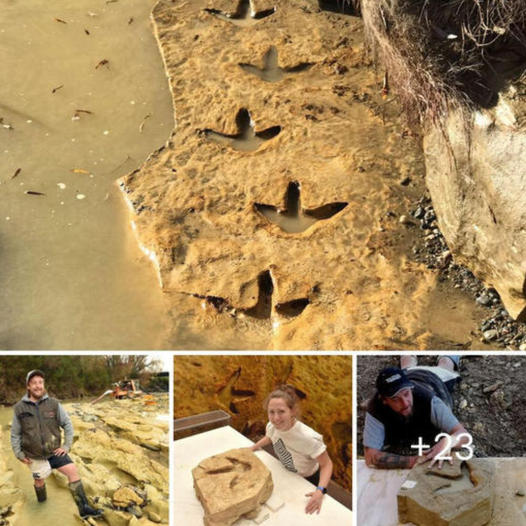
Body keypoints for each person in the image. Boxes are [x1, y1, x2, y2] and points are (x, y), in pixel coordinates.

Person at [10, 370, 103, 519]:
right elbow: (15, 434)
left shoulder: (53, 404)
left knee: (72, 470)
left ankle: (84, 508)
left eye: (40, 382)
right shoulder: (19, 408)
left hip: (54, 451)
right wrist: (18, 454)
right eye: (34, 383)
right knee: (39, 481)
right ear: (28, 386)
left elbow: (67, 424)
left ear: (43, 384)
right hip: (34, 455)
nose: (38, 386)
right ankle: (42, 505)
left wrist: (66, 446)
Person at [364, 356, 471, 470]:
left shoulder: (430, 401)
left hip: (435, 378)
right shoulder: (376, 408)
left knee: (445, 363)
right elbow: (371, 457)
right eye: (395, 399)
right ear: (384, 400)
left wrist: (448, 442)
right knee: (407, 365)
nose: (405, 403)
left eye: (406, 394)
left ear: (411, 388)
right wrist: (413, 461)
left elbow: (464, 435)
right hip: (408, 374)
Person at [250, 384, 334, 515]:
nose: (276, 418)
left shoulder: (308, 438)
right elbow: (270, 437)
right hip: (287, 471)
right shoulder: (272, 426)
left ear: (293, 411)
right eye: (271, 412)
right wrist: (254, 447)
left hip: (308, 477)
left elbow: (327, 464)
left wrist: (320, 491)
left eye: (281, 412)